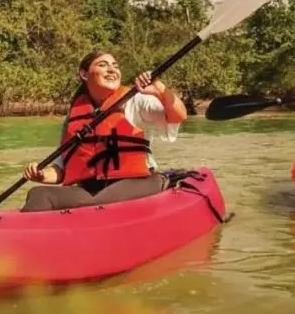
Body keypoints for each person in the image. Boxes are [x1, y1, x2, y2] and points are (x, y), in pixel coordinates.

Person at [18, 49, 189, 212]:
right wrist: (40, 175)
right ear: (84, 74)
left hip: (139, 182)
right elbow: (61, 171)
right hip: (91, 191)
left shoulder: (135, 101)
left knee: (101, 200)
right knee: (39, 194)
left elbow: (178, 116)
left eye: (115, 66)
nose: (111, 70)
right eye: (103, 65)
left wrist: (160, 89)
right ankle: (24, 235)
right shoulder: (73, 118)